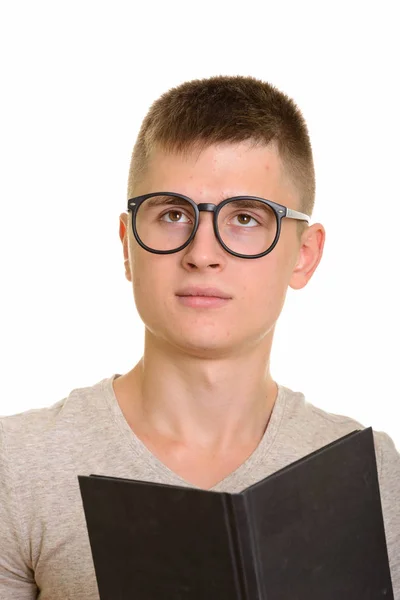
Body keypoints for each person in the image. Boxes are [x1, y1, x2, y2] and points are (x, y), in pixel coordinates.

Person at [0, 75, 399, 599]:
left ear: (305, 254)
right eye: (171, 214)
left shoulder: (372, 475)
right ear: (128, 245)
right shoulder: (18, 465)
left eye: (246, 218)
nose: (203, 253)